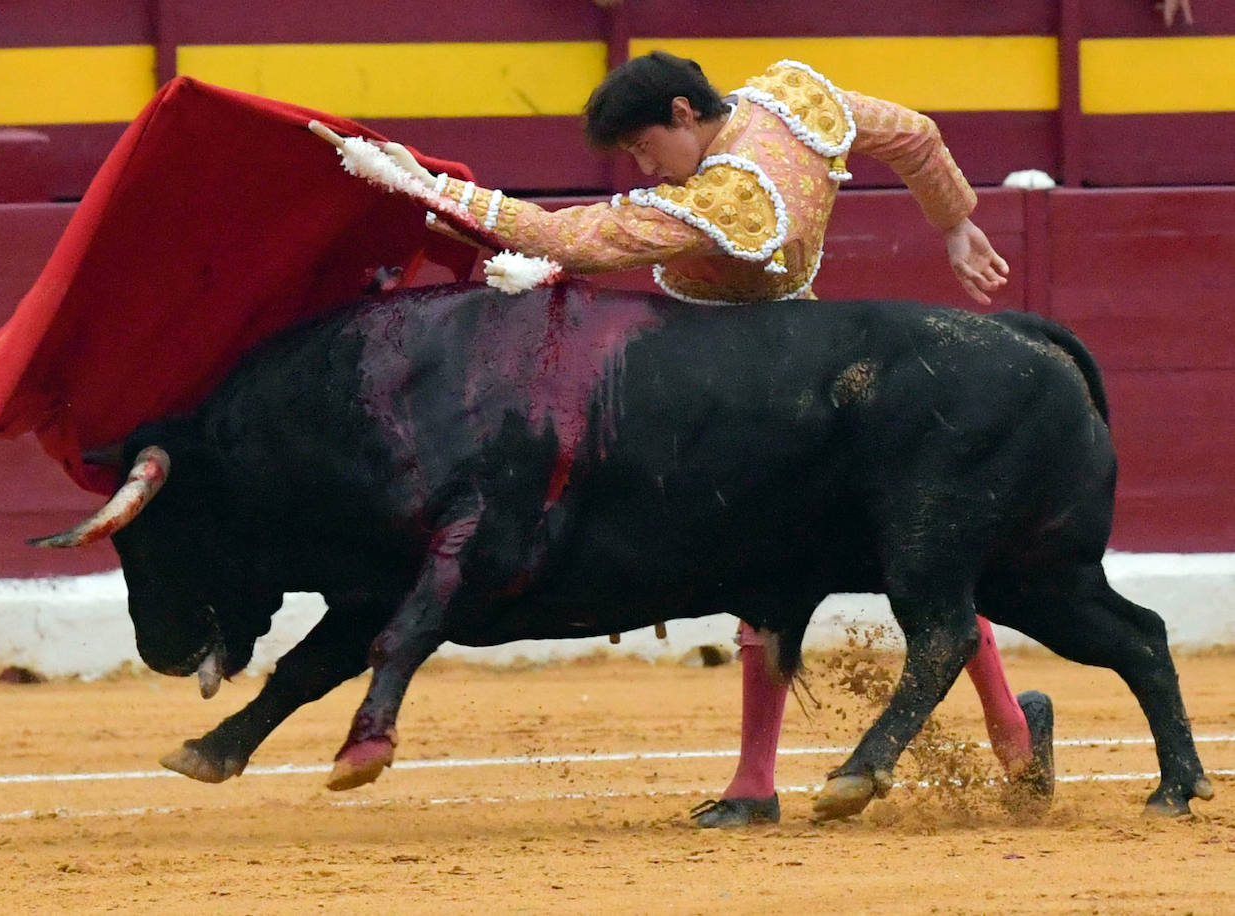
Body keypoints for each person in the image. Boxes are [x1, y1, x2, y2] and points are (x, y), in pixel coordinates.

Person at [328, 50, 1055, 826]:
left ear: (683, 112)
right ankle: (1000, 732)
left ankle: (766, 778)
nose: (645, 168)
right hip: (802, 350)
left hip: (754, 382)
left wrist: (429, 185)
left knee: (796, 559)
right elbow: (913, 135)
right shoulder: (790, 99)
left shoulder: (731, 196)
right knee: (896, 551)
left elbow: (570, 237)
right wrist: (954, 224)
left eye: (645, 148)